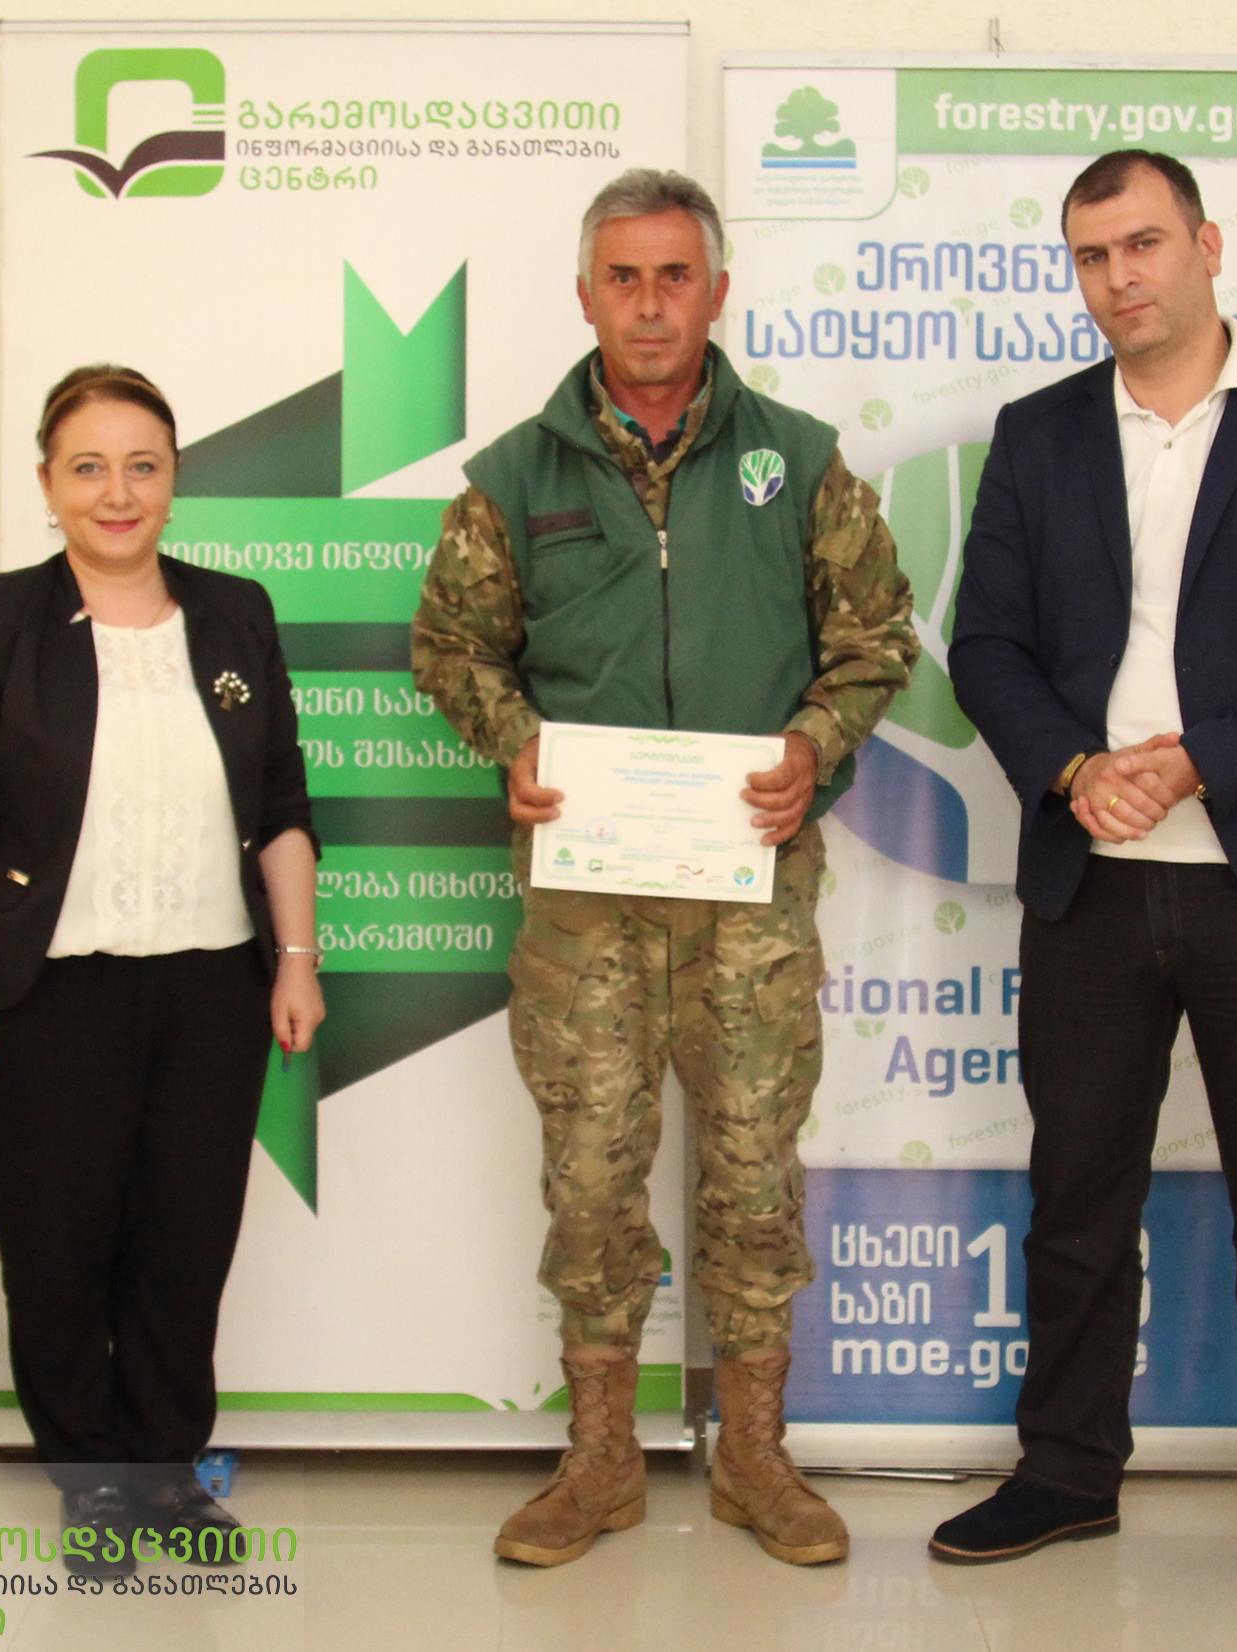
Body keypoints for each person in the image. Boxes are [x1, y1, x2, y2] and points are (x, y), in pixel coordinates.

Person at [412, 168, 918, 1568]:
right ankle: (600, 1463)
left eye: (674, 277)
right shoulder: (514, 478)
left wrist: (815, 745)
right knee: (590, 1183)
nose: (649, 305)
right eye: (623, 278)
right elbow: (448, 646)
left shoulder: (798, 461)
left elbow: (876, 636)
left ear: (716, 292)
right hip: (587, 911)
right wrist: (510, 739)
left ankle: (754, 1455)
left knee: (753, 1181)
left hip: (750, 899)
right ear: (586, 295)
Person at [940, 151, 1237, 1632]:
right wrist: (1076, 769)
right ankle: (1067, 1468)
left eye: (1141, 243)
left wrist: (1197, 762)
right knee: (1078, 1197)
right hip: (1091, 875)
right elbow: (986, 645)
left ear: (1207, 245)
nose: (1118, 278)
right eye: (1091, 256)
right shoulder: (1037, 434)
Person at [0, 365, 323, 1575]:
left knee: (184, 1246)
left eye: (143, 464)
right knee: (58, 1247)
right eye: (88, 466)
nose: (117, 490)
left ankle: (165, 1473)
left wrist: (296, 960)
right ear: (48, 484)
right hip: (47, 994)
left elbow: (280, 804)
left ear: (175, 479)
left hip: (212, 989)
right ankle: (89, 1479)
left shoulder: (234, 614)